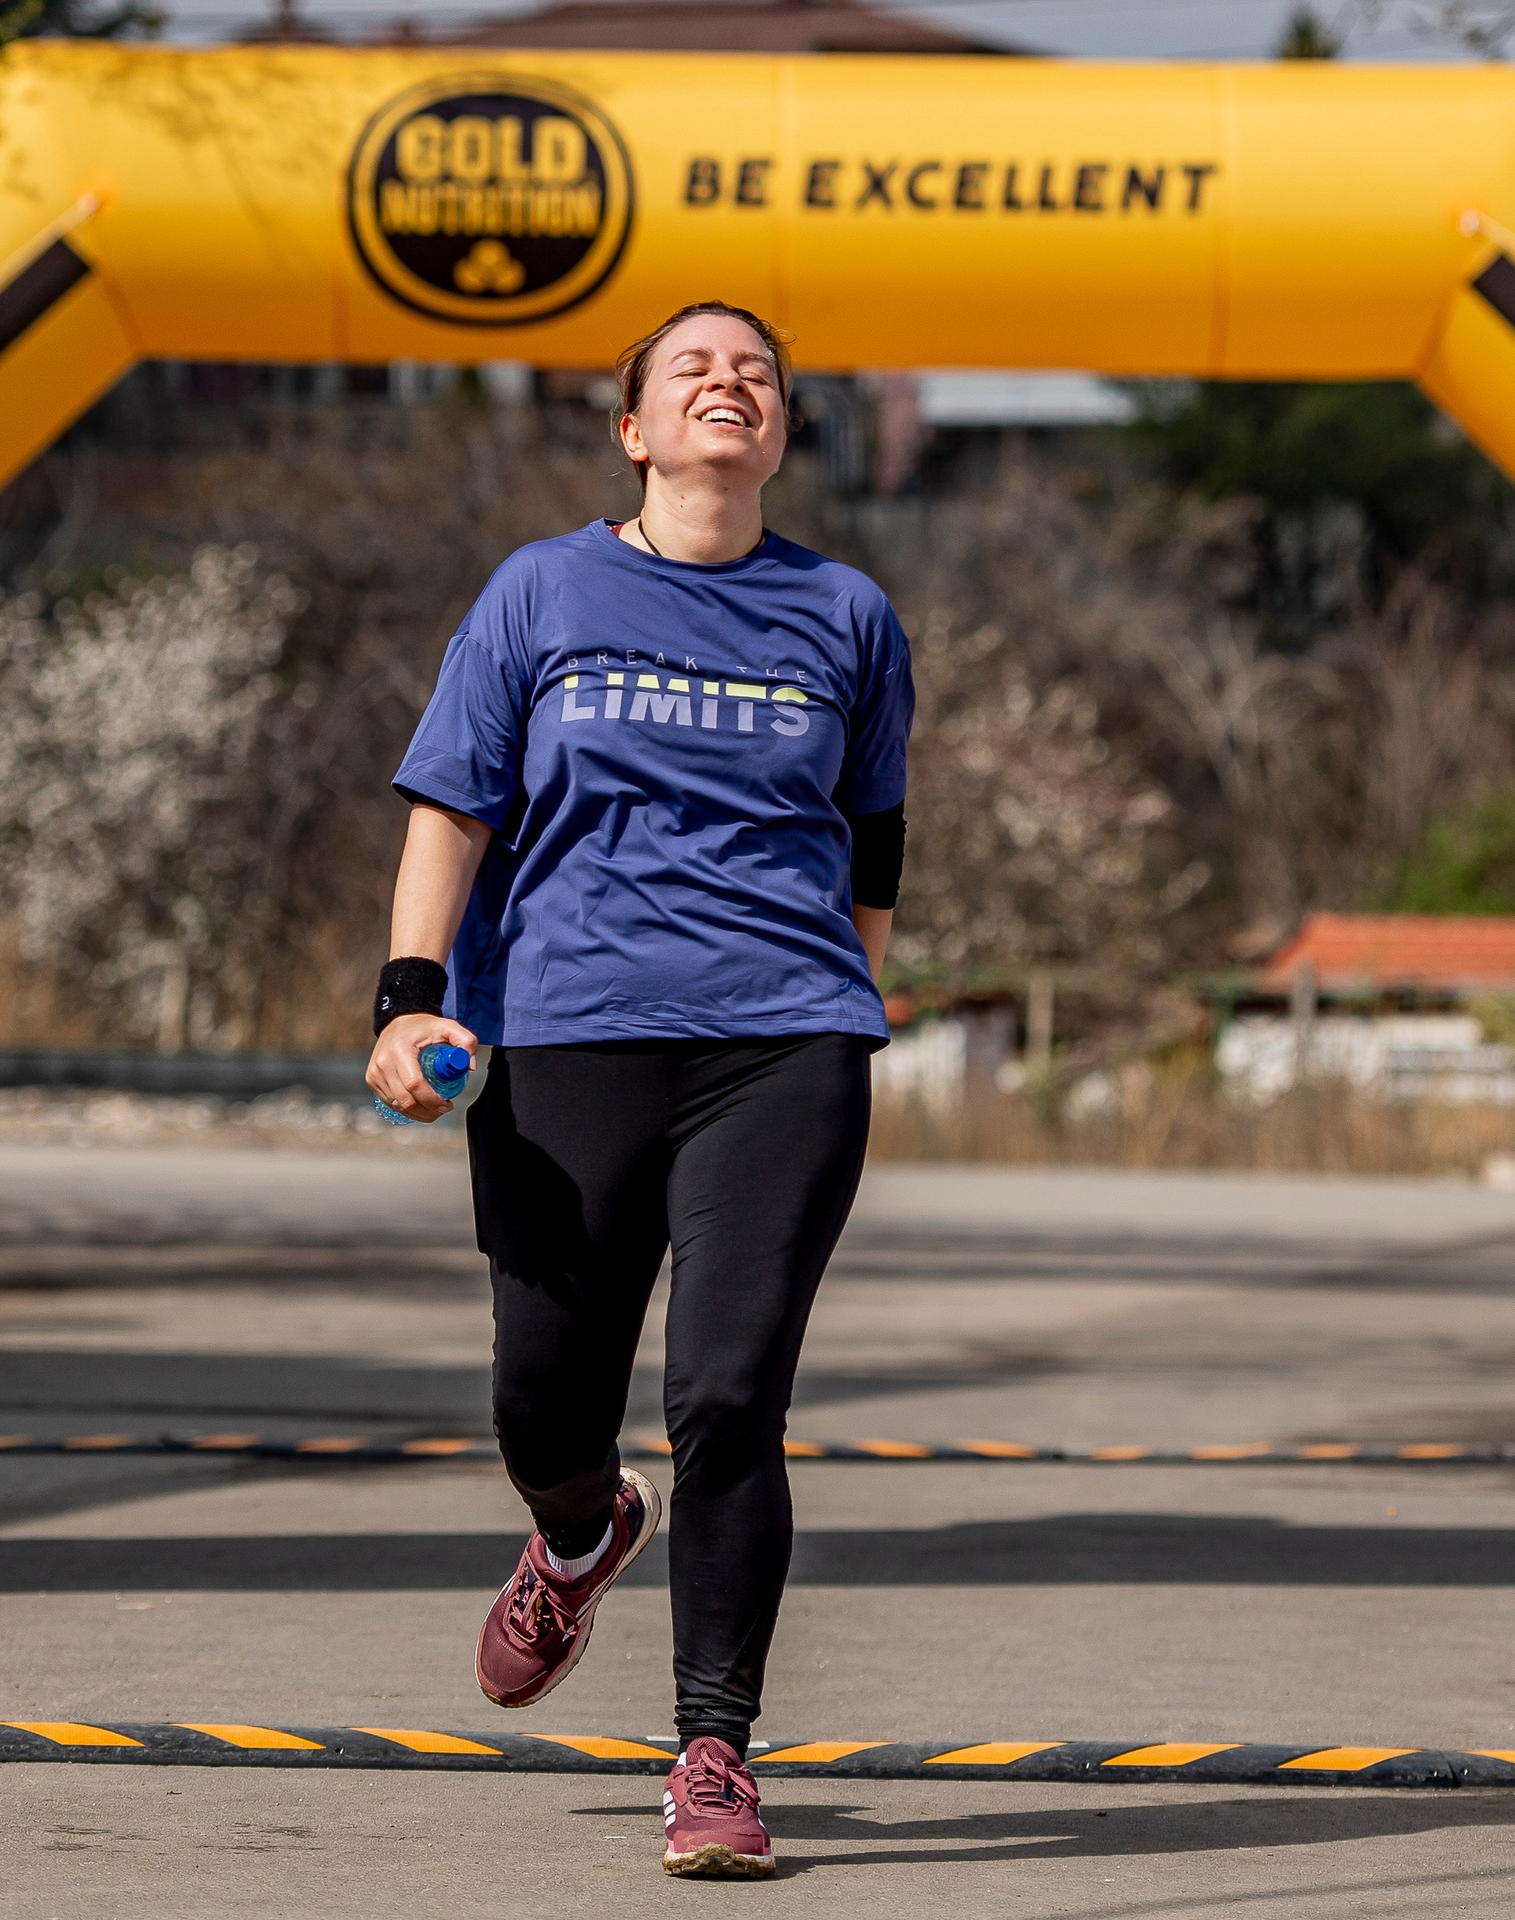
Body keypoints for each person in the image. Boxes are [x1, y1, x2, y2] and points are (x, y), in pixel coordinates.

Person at [370, 300, 913, 1880]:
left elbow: (871, 840)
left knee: (730, 1397)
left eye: (758, 373)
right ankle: (576, 1528)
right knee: (544, 1396)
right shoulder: (542, 589)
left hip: (782, 1045)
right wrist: (412, 1000)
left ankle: (716, 1751)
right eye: (694, 368)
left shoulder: (849, 612)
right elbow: (454, 806)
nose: (728, 384)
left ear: (782, 431)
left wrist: (844, 992)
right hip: (567, 1036)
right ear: (635, 429)